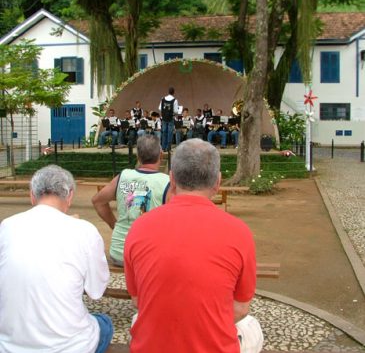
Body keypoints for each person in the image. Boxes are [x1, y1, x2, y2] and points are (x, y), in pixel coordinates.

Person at [124, 139, 263, 353]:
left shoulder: (139, 227)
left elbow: (137, 300)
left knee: (138, 318)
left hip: (152, 346)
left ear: (172, 178)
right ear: (217, 182)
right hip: (215, 346)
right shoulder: (239, 232)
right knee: (252, 326)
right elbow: (241, 307)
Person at [0, 165, 113, 353]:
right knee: (105, 323)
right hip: (70, 347)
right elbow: (96, 291)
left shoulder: (6, 227)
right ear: (69, 196)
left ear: (32, 196)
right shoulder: (84, 231)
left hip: (9, 345)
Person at [92, 135, 170, 266]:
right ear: (161, 155)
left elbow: (97, 201)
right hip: (149, 256)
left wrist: (114, 225)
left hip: (119, 253)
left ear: (138, 155)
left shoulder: (123, 176)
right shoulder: (166, 182)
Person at [159, 86, 179, 152]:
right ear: (173, 92)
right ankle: (168, 148)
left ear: (168, 92)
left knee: (164, 132)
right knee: (170, 132)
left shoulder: (163, 99)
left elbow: (160, 108)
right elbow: (176, 111)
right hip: (170, 118)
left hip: (164, 118)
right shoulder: (175, 100)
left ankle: (163, 147)